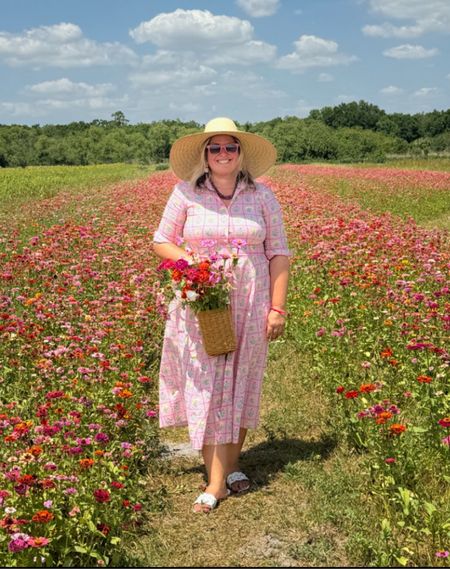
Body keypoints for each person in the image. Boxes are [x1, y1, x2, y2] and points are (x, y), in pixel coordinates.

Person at [153, 117, 291, 513]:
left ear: (240, 153)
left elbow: (278, 254)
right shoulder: (185, 194)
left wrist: (277, 308)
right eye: (215, 148)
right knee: (209, 382)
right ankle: (216, 484)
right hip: (203, 301)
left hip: (252, 300)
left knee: (242, 379)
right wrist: (193, 266)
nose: (223, 154)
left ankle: (229, 468)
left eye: (230, 147)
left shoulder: (263, 197)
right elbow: (162, 241)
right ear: (205, 155)